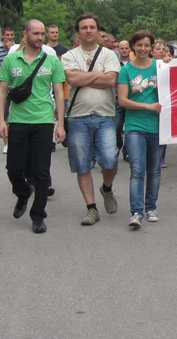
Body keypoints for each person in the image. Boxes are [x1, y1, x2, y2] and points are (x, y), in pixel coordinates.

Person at [0, 20, 65, 234]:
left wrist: (60, 123)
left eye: (42, 34)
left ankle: (38, 215)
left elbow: (60, 92)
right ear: (24, 34)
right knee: (14, 169)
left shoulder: (51, 60)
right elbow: (1, 91)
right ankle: (23, 192)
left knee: (41, 171)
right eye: (35, 33)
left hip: (43, 121)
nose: (40, 37)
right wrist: (1, 120)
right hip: (17, 120)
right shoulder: (11, 59)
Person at [62, 13, 121, 225]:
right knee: (83, 164)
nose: (88, 31)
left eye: (92, 27)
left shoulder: (109, 54)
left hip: (105, 116)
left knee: (111, 158)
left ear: (97, 31)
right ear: (78, 32)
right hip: (77, 117)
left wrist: (84, 77)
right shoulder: (69, 55)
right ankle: (91, 208)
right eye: (84, 27)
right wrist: (98, 74)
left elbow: (111, 80)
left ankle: (106, 188)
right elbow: (72, 79)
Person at [118, 30, 162, 228]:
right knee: (137, 170)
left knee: (154, 171)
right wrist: (147, 106)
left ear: (151, 47)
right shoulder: (126, 71)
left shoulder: (160, 67)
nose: (143, 48)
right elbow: (123, 100)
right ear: (133, 47)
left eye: (147, 45)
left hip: (158, 127)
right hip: (135, 126)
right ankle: (136, 212)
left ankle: (151, 206)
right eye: (139, 45)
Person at [0, 26, 15, 154]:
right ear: (2, 36)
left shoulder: (18, 49)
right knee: (4, 116)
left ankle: (16, 141)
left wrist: (11, 50)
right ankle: (6, 143)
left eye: (11, 35)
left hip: (16, 88)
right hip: (2, 88)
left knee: (16, 117)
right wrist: (8, 67)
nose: (9, 38)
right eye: (7, 35)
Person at [152, 39, 169, 168]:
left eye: (163, 49)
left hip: (165, 103)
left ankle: (161, 157)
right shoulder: (147, 65)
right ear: (151, 52)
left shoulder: (168, 64)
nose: (161, 51)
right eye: (158, 49)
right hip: (151, 103)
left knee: (163, 131)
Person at [115, 40, 131, 162]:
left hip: (132, 99)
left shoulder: (135, 64)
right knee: (117, 126)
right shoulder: (114, 64)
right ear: (118, 49)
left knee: (130, 128)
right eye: (122, 48)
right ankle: (117, 146)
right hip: (117, 99)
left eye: (126, 48)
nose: (124, 50)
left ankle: (127, 152)